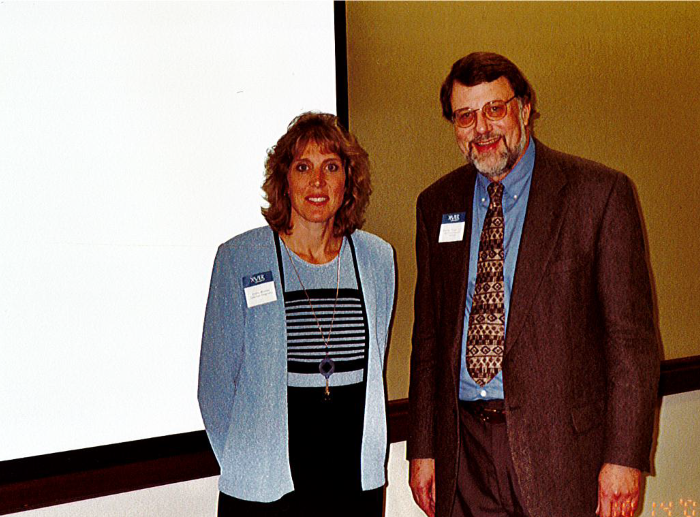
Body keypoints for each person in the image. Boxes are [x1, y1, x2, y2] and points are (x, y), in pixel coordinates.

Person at [407, 52, 659, 517]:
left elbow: (632, 345)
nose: (481, 127)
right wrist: (423, 448)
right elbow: (427, 339)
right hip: (463, 452)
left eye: (494, 109)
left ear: (524, 109)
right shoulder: (436, 204)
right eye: (465, 116)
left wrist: (624, 458)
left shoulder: (598, 195)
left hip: (561, 454)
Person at [199, 112, 395, 517]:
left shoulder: (377, 259)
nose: (317, 183)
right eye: (303, 167)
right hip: (266, 485)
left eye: (331, 167)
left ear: (348, 181)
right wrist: (247, 466)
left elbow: (374, 366)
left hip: (351, 481)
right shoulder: (239, 258)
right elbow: (214, 387)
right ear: (284, 179)